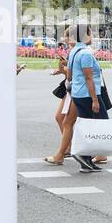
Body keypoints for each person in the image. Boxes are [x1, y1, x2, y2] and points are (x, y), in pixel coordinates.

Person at [69, 23, 108, 173]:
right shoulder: (85, 53)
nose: (92, 36)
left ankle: (86, 159)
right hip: (88, 94)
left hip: (78, 93)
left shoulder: (74, 51)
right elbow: (89, 78)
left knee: (87, 125)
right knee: (100, 123)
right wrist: (95, 100)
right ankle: (83, 154)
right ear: (85, 35)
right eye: (90, 33)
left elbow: (70, 74)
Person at [43, 28, 75, 166]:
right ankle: (68, 148)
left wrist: (63, 69)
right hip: (71, 88)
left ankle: (64, 151)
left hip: (76, 89)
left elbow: (73, 74)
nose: (65, 39)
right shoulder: (74, 51)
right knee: (61, 118)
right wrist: (63, 68)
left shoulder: (77, 51)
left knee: (66, 121)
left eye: (67, 37)